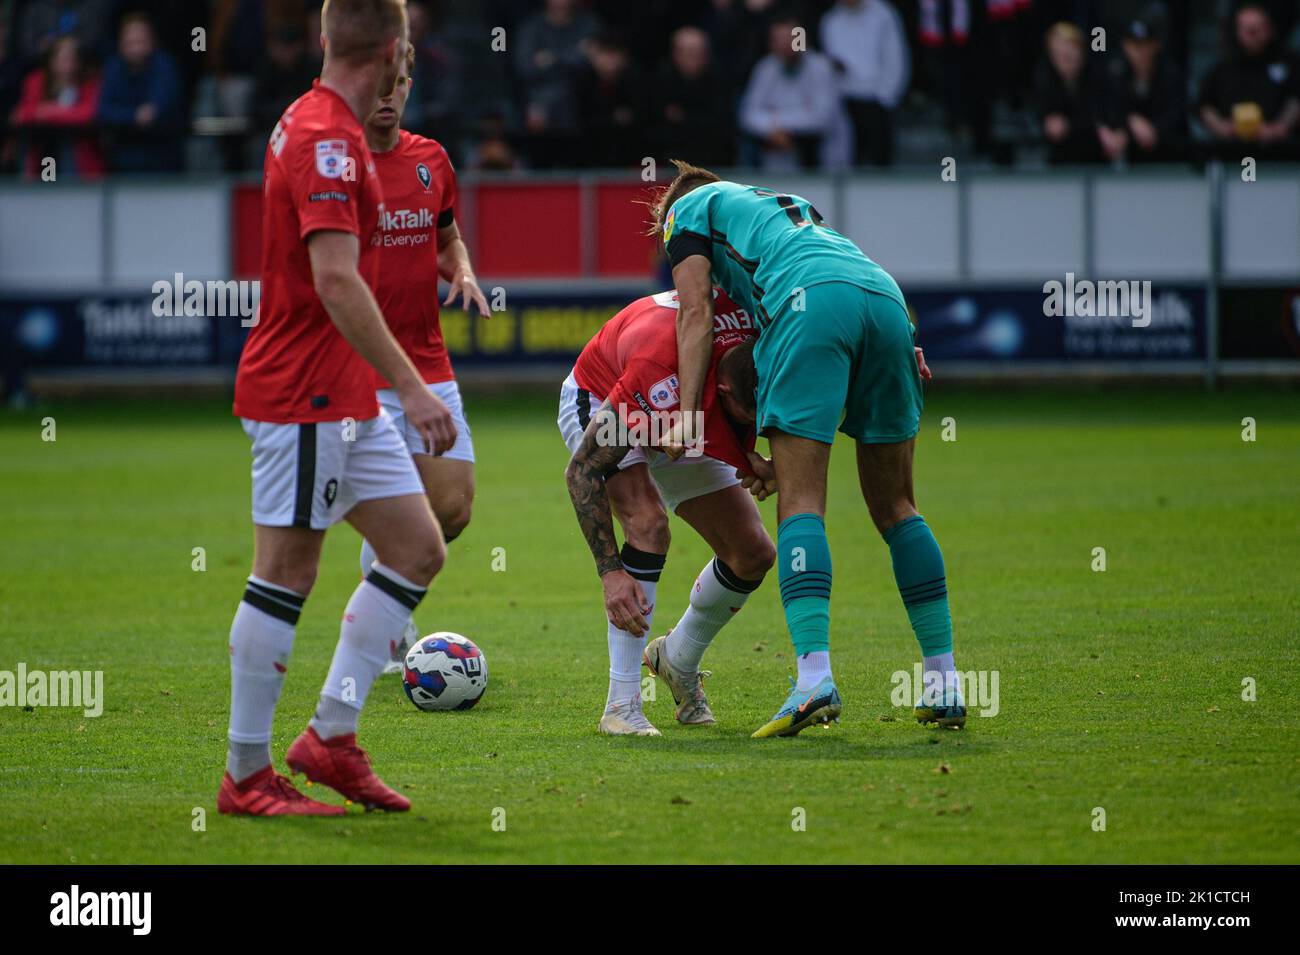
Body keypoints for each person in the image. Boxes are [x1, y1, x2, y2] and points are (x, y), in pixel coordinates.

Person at [220, 0, 455, 817]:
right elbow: (335, 279)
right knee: (286, 572)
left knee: (418, 548)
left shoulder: (330, 123)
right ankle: (246, 774)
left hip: (344, 394)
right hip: (305, 391)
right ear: (394, 52)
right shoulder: (325, 137)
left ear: (327, 39)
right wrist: (415, 386)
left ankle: (330, 736)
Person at [656, 160, 961, 738]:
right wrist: (906, 344)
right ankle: (944, 682)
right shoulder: (781, 204)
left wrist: (689, 416)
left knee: (800, 506)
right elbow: (843, 269)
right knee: (899, 509)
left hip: (810, 304)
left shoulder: (687, 211)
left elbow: (694, 313)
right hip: (888, 305)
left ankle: (813, 679)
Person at [560, 288, 776, 736]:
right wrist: (610, 573)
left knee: (752, 553)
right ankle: (621, 706)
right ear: (721, 391)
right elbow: (582, 472)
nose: (753, 428)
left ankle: (677, 658)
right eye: (746, 417)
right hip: (606, 395)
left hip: (685, 411)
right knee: (648, 522)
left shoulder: (771, 335)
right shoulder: (659, 374)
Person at [359, 45, 490, 673]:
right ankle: (385, 628)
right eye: (379, 84)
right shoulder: (337, 165)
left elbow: (445, 236)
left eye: (399, 84)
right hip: (362, 366)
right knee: (398, 511)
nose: (388, 95)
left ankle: (383, 592)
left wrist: (461, 268)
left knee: (454, 510)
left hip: (430, 363)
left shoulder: (431, 159)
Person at [738, 14, 842, 170]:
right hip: (774, 153)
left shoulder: (821, 68)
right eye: (780, 39)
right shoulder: (765, 68)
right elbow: (748, 114)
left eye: (792, 38)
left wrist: (776, 121)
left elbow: (822, 118)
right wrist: (776, 132)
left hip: (819, 156)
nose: (787, 44)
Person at [1198, 2, 1300, 160]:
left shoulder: (1289, 63)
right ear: (1237, 30)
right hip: (1231, 153)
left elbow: (1296, 99)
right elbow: (1203, 105)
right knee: (1246, 177)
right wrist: (1221, 127)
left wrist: (1280, 127)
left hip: (1281, 155)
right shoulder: (1223, 67)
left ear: (1269, 28)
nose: (1253, 35)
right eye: (1247, 29)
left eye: (1257, 29)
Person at [819, 0, 909, 166]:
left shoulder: (883, 14)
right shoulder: (831, 20)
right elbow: (830, 63)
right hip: (845, 102)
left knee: (880, 162)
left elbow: (894, 57)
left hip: (877, 99)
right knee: (850, 161)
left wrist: (886, 97)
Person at [96, 11, 183, 172]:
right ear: (121, 44)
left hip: (161, 157)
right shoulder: (113, 68)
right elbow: (103, 111)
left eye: (140, 41)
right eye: (130, 42)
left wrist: (124, 117)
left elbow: (154, 113)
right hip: (122, 157)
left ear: (152, 42)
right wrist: (134, 116)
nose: (135, 48)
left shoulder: (165, 67)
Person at [11, 35, 104, 180]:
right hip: (44, 153)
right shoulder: (36, 81)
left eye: (73, 59)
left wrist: (49, 112)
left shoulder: (88, 83)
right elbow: (22, 114)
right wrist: (61, 113)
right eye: (64, 59)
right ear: (51, 61)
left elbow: (89, 113)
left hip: (78, 155)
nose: (69, 65)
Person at [1104, 16, 1187, 164]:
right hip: (1130, 155)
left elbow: (1177, 112)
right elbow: (1110, 108)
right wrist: (1130, 120)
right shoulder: (1116, 73)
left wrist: (1154, 130)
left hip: (1170, 155)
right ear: (1125, 46)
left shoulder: (1170, 73)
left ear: (1156, 45)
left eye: (1145, 45)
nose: (1140, 52)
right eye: (1135, 45)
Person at [1034, 21, 1111, 165]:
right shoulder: (1044, 77)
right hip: (1059, 158)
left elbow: (1100, 116)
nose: (1065, 59)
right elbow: (1045, 120)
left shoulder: (1097, 75)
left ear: (1081, 52)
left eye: (1069, 54)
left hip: (1096, 156)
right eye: (1059, 55)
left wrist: (1069, 125)